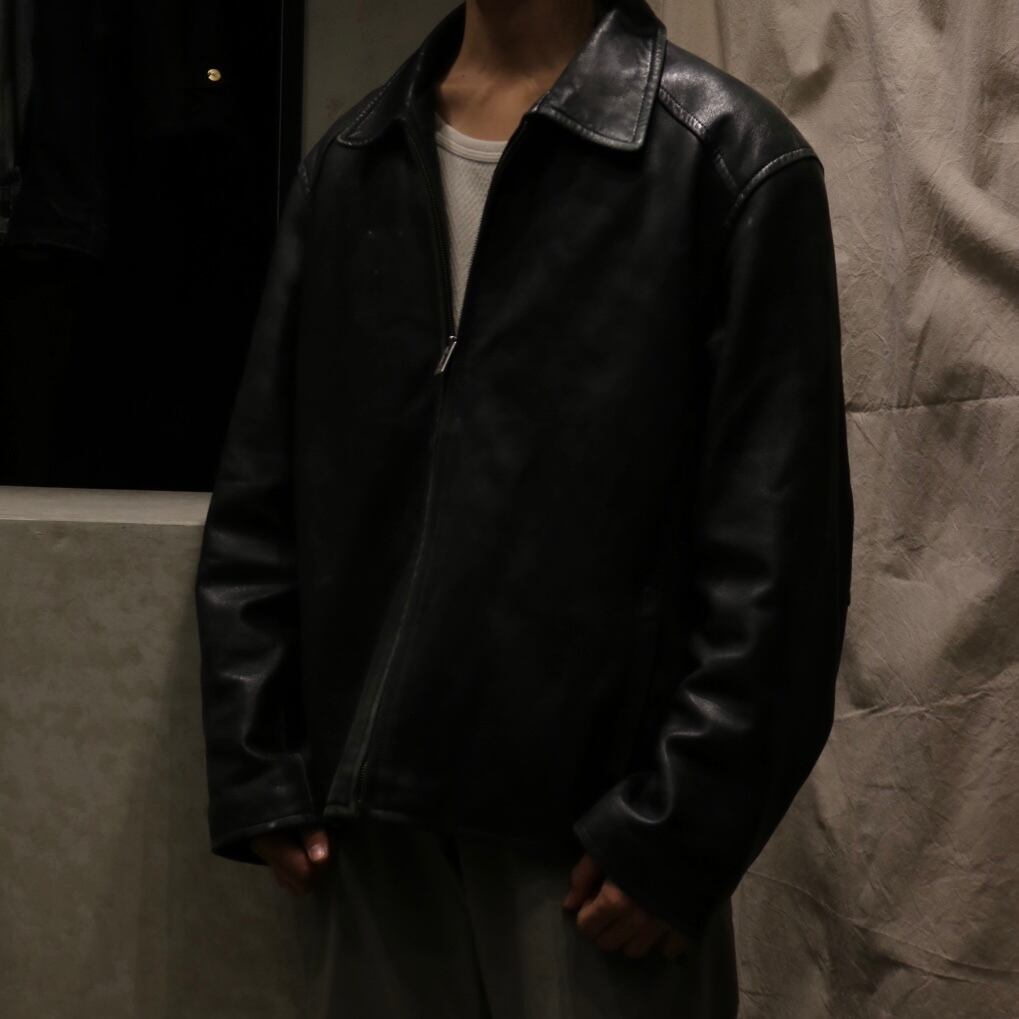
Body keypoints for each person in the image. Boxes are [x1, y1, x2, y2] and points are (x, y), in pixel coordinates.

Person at [193, 0, 854, 1015]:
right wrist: (258, 766)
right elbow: (260, 499)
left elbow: (780, 556)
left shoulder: (726, 161)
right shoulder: (351, 165)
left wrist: (678, 829)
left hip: (589, 861)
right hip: (364, 843)